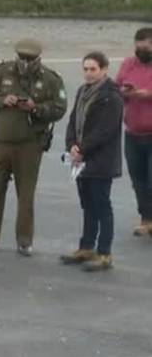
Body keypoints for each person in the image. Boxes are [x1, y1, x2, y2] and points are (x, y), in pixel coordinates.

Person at [0, 38, 67, 256]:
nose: (25, 63)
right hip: (1, 142)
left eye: (30, 59)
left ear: (38, 59)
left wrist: (36, 108)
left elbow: (59, 108)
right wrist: (1, 100)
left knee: (26, 194)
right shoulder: (0, 72)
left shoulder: (50, 79)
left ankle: (24, 241)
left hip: (30, 144)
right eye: (22, 58)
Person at [60, 52, 123, 271]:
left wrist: (83, 150)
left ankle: (104, 253)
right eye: (85, 69)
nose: (88, 73)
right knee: (87, 204)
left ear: (104, 69)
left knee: (102, 205)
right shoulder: (82, 91)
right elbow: (73, 121)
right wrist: (71, 146)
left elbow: (105, 130)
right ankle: (86, 246)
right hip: (82, 159)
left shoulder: (111, 96)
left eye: (93, 69)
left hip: (101, 161)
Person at [114, 27, 152, 237]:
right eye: (138, 48)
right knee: (138, 180)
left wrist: (146, 93)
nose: (141, 52)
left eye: (145, 48)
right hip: (133, 132)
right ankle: (146, 219)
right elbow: (116, 86)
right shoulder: (128, 64)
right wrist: (124, 91)